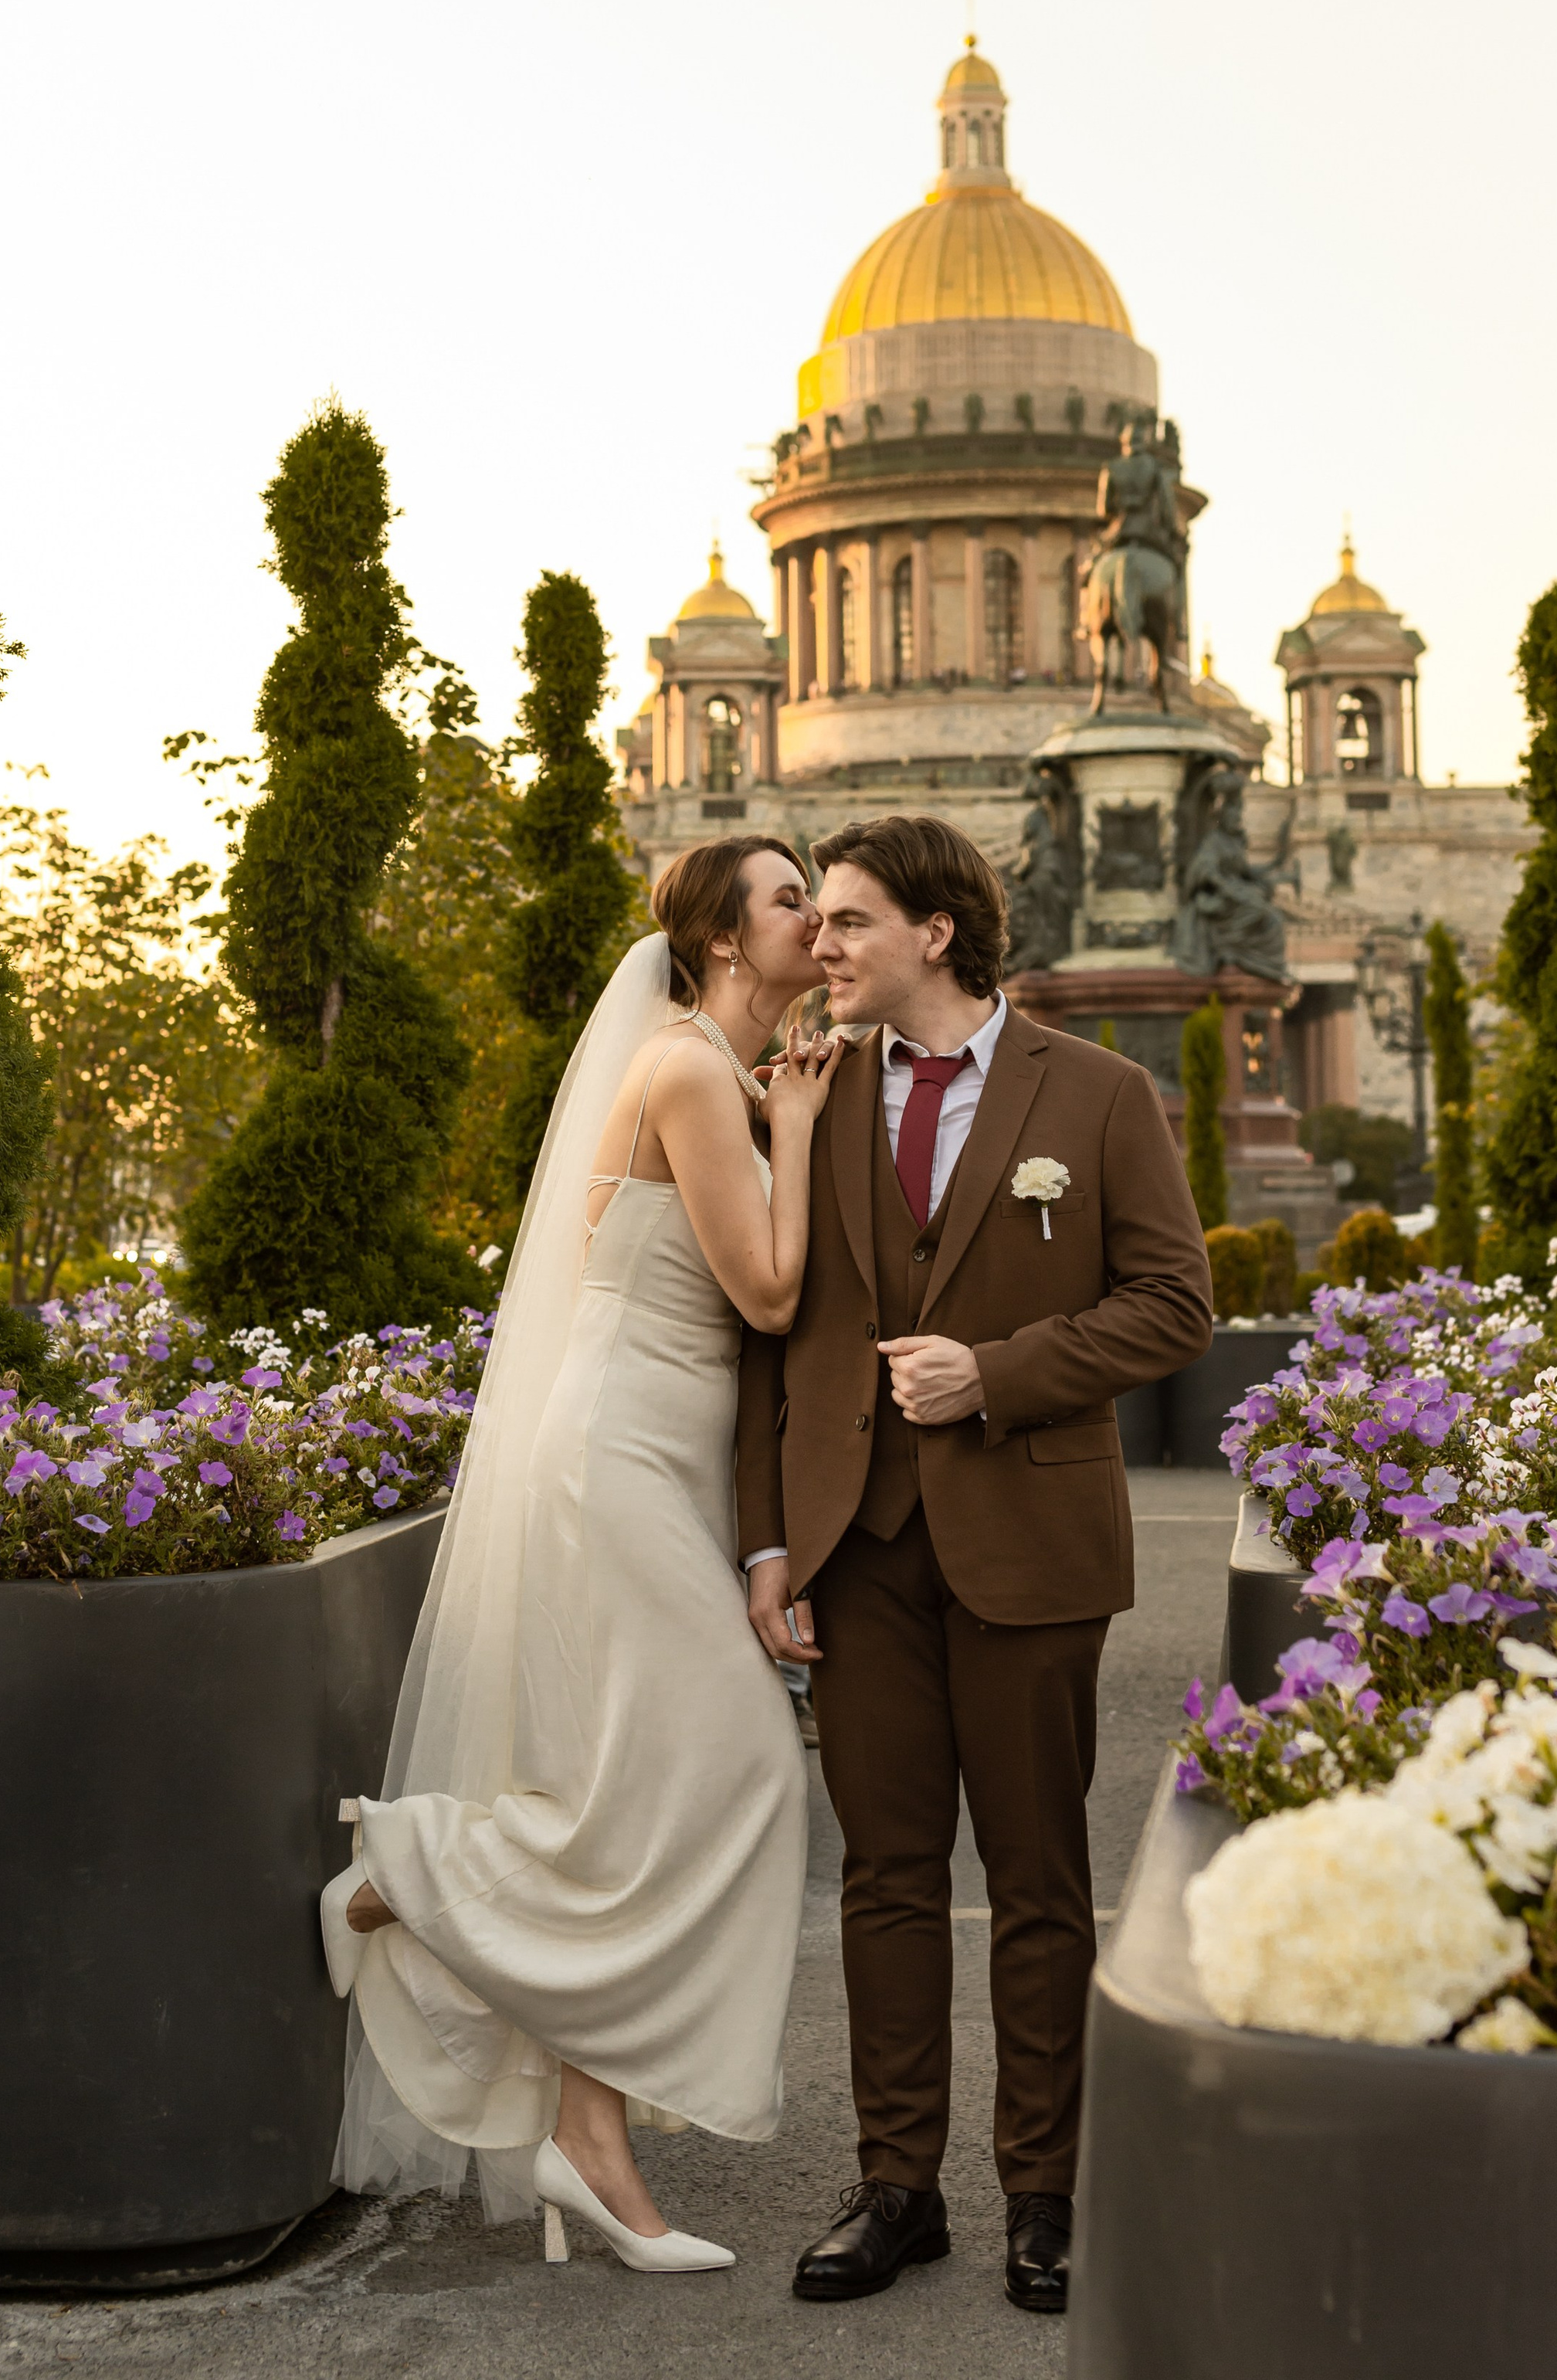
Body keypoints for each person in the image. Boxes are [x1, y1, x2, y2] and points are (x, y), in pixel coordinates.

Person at [322, 837, 836, 2274]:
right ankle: (405, 1877)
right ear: (728, 944)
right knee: (730, 1762)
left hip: (668, 1458)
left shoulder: (730, 1073)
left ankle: (592, 2146)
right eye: (792, 898)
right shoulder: (686, 1070)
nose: (815, 917)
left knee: (638, 1785)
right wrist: (795, 1130)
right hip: (614, 1454)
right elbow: (771, 1289)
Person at [740, 814, 1211, 2314]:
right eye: (816, 922)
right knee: (880, 1877)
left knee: (1035, 1880)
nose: (820, 946)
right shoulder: (803, 1098)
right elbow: (773, 1343)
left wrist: (993, 1373)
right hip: (858, 1545)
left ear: (936, 932)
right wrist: (769, 1537)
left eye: (848, 923)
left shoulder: (1099, 1092)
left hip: (1028, 1540)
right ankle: (894, 2187)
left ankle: (1041, 2192)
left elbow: (1171, 1306)